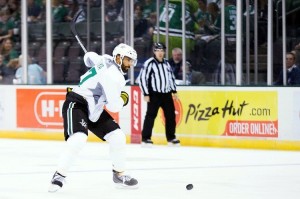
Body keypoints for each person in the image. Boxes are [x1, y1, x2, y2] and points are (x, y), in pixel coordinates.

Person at [48, 43, 139, 192]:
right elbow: (113, 107)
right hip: (77, 103)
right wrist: (124, 98)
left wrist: (90, 57)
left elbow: (88, 58)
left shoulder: (106, 59)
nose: (130, 64)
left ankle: (119, 174)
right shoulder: (113, 76)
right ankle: (59, 175)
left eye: (132, 61)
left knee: (117, 136)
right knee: (78, 139)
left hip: (94, 109)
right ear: (118, 58)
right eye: (128, 60)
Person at [138, 42, 180, 146]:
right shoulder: (149, 63)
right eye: (158, 50)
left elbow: (171, 78)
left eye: (162, 50)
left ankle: (171, 138)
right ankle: (145, 138)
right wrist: (146, 93)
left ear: (164, 52)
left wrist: (174, 91)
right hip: (154, 94)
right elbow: (142, 78)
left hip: (166, 94)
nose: (160, 53)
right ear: (154, 52)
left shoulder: (166, 63)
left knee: (170, 116)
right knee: (150, 116)